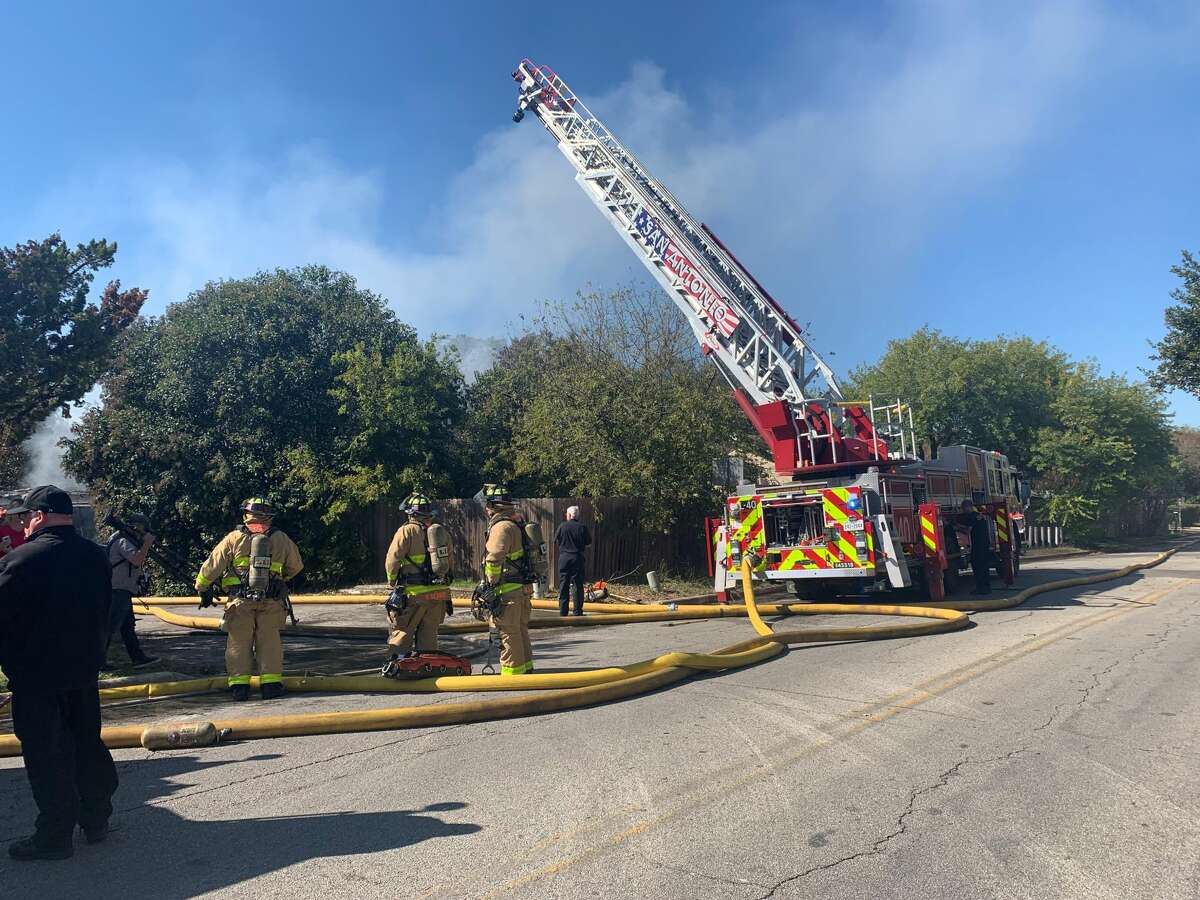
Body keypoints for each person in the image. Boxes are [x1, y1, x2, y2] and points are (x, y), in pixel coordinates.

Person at [0, 485, 118, 861]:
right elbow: (107, 612)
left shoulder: (22, 560)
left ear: (39, 515)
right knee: (86, 742)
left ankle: (54, 835)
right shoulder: (96, 557)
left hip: (36, 676)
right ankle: (96, 818)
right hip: (83, 671)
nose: (23, 524)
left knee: (46, 752)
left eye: (24, 517)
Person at [194, 497, 303, 701]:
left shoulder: (234, 538)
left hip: (239, 601)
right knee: (269, 642)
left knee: (238, 642)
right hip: (271, 601)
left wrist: (202, 587)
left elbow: (213, 564)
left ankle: (239, 687)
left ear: (246, 515)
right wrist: (279, 579)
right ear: (269, 517)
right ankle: (270, 685)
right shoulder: (280, 538)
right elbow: (296, 566)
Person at [383, 493, 451, 666]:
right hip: (438, 595)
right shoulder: (439, 532)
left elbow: (393, 559)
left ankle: (397, 668)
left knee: (402, 633)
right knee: (429, 636)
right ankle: (426, 669)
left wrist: (392, 582)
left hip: (413, 595)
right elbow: (450, 562)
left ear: (410, 513)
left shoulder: (406, 531)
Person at [481, 484, 534, 675]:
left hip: (507, 590)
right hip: (521, 587)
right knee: (519, 630)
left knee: (508, 632)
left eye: (487, 505)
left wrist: (491, 582)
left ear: (494, 506)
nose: (486, 509)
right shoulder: (516, 523)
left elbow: (494, 557)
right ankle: (526, 668)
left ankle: (512, 673)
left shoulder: (501, 527)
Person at [105, 513, 160, 668]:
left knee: (127, 626)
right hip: (117, 590)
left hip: (122, 590)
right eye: (143, 528)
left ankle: (137, 658)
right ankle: (99, 662)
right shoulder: (122, 540)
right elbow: (136, 559)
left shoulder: (124, 538)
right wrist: (147, 544)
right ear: (136, 526)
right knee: (111, 626)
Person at [554, 505, 591, 616]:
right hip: (577, 557)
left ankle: (563, 611)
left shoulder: (562, 526)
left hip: (564, 558)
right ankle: (577, 611)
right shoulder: (582, 527)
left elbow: (556, 540)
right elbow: (588, 542)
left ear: (569, 515)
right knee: (577, 584)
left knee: (563, 584)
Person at [958, 499, 992, 595]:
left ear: (968, 507)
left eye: (964, 508)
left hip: (979, 546)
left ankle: (981, 588)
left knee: (977, 566)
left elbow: (968, 530)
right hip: (984, 545)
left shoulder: (972, 517)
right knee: (984, 566)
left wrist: (956, 527)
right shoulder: (978, 515)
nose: (963, 510)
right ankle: (986, 587)